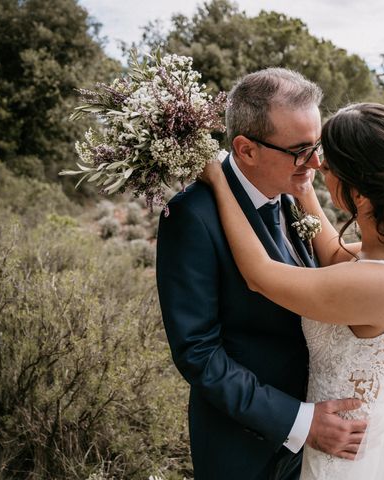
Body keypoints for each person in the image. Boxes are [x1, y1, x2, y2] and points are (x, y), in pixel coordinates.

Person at [200, 102, 384, 479]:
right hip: (337, 441)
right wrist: (304, 193)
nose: (313, 166)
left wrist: (218, 181)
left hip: (338, 460)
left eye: (326, 167)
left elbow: (260, 274)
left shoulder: (378, 284)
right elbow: (332, 252)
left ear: (360, 196)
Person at [156, 69, 367, 480]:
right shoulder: (191, 216)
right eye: (301, 150)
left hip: (315, 440)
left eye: (317, 146)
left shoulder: (293, 191)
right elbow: (198, 353)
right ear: (246, 149)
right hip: (244, 449)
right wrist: (300, 422)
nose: (316, 163)